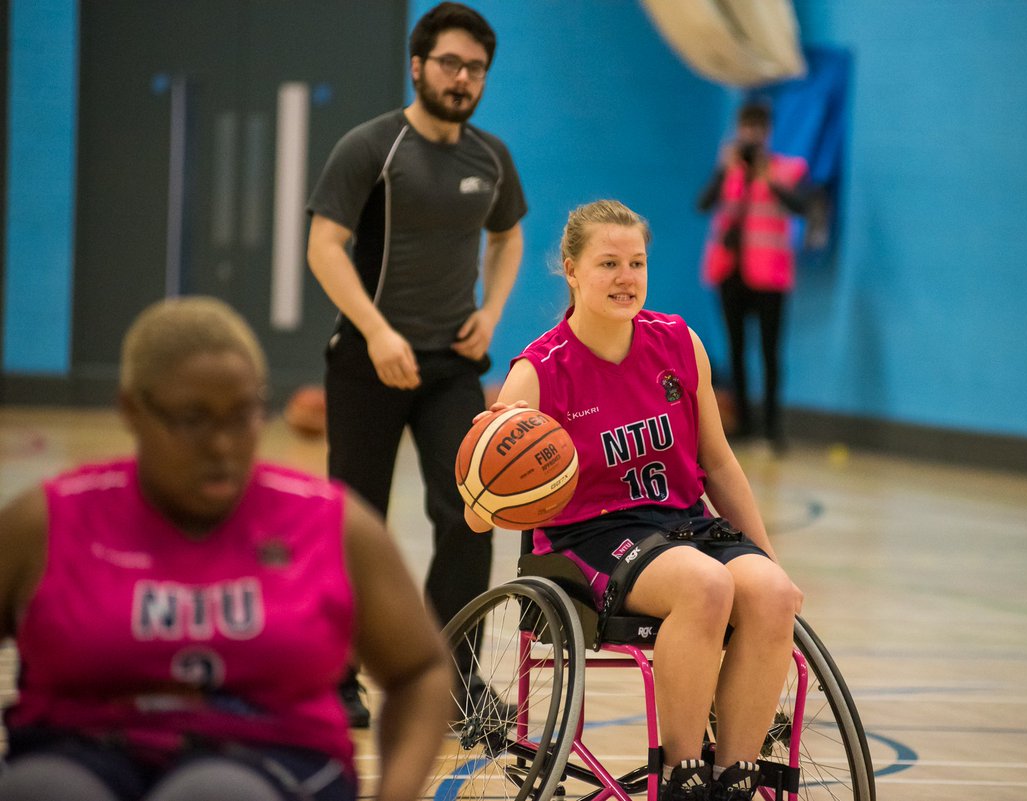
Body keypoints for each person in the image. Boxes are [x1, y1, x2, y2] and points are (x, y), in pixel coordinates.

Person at [0, 297, 454, 801]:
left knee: (216, 792)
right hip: (79, 749)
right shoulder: (47, 522)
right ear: (132, 408)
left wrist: (397, 792)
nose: (222, 445)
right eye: (193, 420)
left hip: (276, 760)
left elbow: (420, 668)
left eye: (241, 417)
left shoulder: (332, 525)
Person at [465, 200, 806, 801]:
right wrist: (486, 479)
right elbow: (479, 509)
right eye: (608, 263)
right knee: (706, 588)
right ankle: (681, 776)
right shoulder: (539, 372)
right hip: (590, 537)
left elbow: (719, 462)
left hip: (684, 524)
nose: (627, 277)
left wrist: (768, 556)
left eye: (637, 263)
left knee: (776, 594)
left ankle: (733, 777)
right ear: (571, 270)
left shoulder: (678, 342)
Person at [306, 1, 526, 727]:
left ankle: (453, 684)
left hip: (451, 369)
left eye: (476, 69)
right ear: (417, 65)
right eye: (450, 63)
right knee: (355, 522)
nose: (463, 78)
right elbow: (324, 246)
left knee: (472, 513)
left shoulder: (490, 157)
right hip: (368, 363)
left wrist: (489, 314)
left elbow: (509, 238)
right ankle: (335, 675)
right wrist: (375, 332)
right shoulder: (371, 147)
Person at [698, 100, 820, 453]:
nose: (750, 134)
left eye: (757, 128)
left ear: (767, 132)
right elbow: (703, 204)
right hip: (729, 271)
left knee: (769, 351)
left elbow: (802, 206)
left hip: (769, 275)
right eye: (745, 126)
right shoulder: (730, 170)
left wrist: (768, 179)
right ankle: (744, 424)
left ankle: (772, 427)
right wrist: (723, 170)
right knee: (735, 349)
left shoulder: (787, 168)